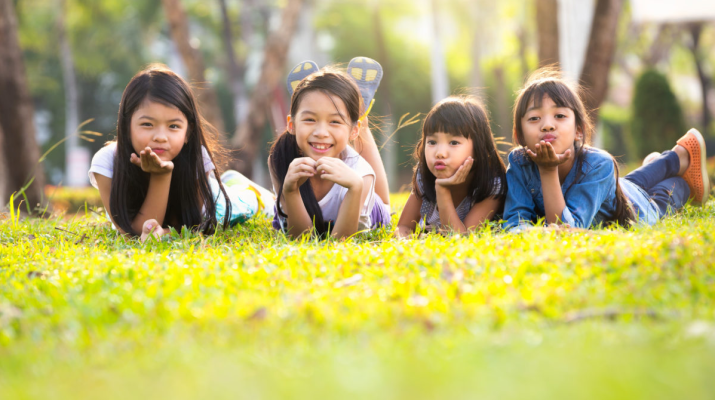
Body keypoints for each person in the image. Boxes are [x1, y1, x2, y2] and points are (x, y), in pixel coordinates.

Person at [502, 68, 710, 230]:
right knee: (626, 184)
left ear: (579, 131)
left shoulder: (598, 163)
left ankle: (679, 165)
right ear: (519, 135)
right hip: (618, 187)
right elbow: (514, 222)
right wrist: (529, 230)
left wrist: (548, 171)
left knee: (669, 192)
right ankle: (668, 160)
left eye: (559, 116)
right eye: (534, 118)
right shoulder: (520, 163)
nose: (547, 125)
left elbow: (564, 229)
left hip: (638, 209)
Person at [89, 64, 269, 242]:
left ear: (188, 133)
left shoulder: (196, 155)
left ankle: (246, 190)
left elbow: (197, 226)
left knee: (249, 205)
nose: (160, 137)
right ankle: (231, 180)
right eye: (147, 124)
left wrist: (162, 175)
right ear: (126, 126)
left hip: (218, 203)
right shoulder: (107, 162)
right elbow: (132, 234)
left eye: (173, 126)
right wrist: (161, 176)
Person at [268, 59, 390, 239]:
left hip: (367, 210)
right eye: (310, 119)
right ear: (291, 125)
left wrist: (355, 188)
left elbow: (341, 242)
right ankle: (331, 102)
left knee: (385, 205)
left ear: (352, 132)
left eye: (334, 121)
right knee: (333, 113)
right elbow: (302, 239)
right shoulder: (280, 160)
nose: (321, 133)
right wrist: (291, 191)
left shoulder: (361, 175)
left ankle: (359, 113)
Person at [396, 96, 507, 237]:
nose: (440, 153)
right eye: (432, 142)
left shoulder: (491, 185)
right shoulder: (424, 176)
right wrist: (405, 242)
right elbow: (404, 226)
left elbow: (460, 239)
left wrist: (442, 190)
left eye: (454, 142)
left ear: (478, 148)